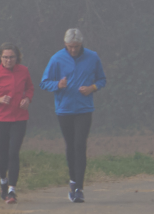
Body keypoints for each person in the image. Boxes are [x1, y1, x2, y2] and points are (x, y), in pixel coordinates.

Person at [41, 28, 106, 203]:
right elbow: (44, 82)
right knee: (70, 146)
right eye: (70, 47)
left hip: (84, 109)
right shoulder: (56, 59)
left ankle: (79, 188)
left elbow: (102, 80)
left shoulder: (93, 57)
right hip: (64, 109)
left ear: (81, 44)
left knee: (80, 145)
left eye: (76, 46)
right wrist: (58, 84)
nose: (73, 50)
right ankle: (72, 180)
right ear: (65, 44)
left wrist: (92, 88)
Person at [0, 43, 33, 204]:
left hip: (19, 118)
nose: (8, 60)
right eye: (5, 57)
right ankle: (3, 181)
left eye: (12, 57)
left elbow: (30, 88)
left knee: (14, 153)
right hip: (0, 119)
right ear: (0, 58)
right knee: (3, 155)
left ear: (17, 58)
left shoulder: (24, 71)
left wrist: (28, 99)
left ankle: (12, 191)